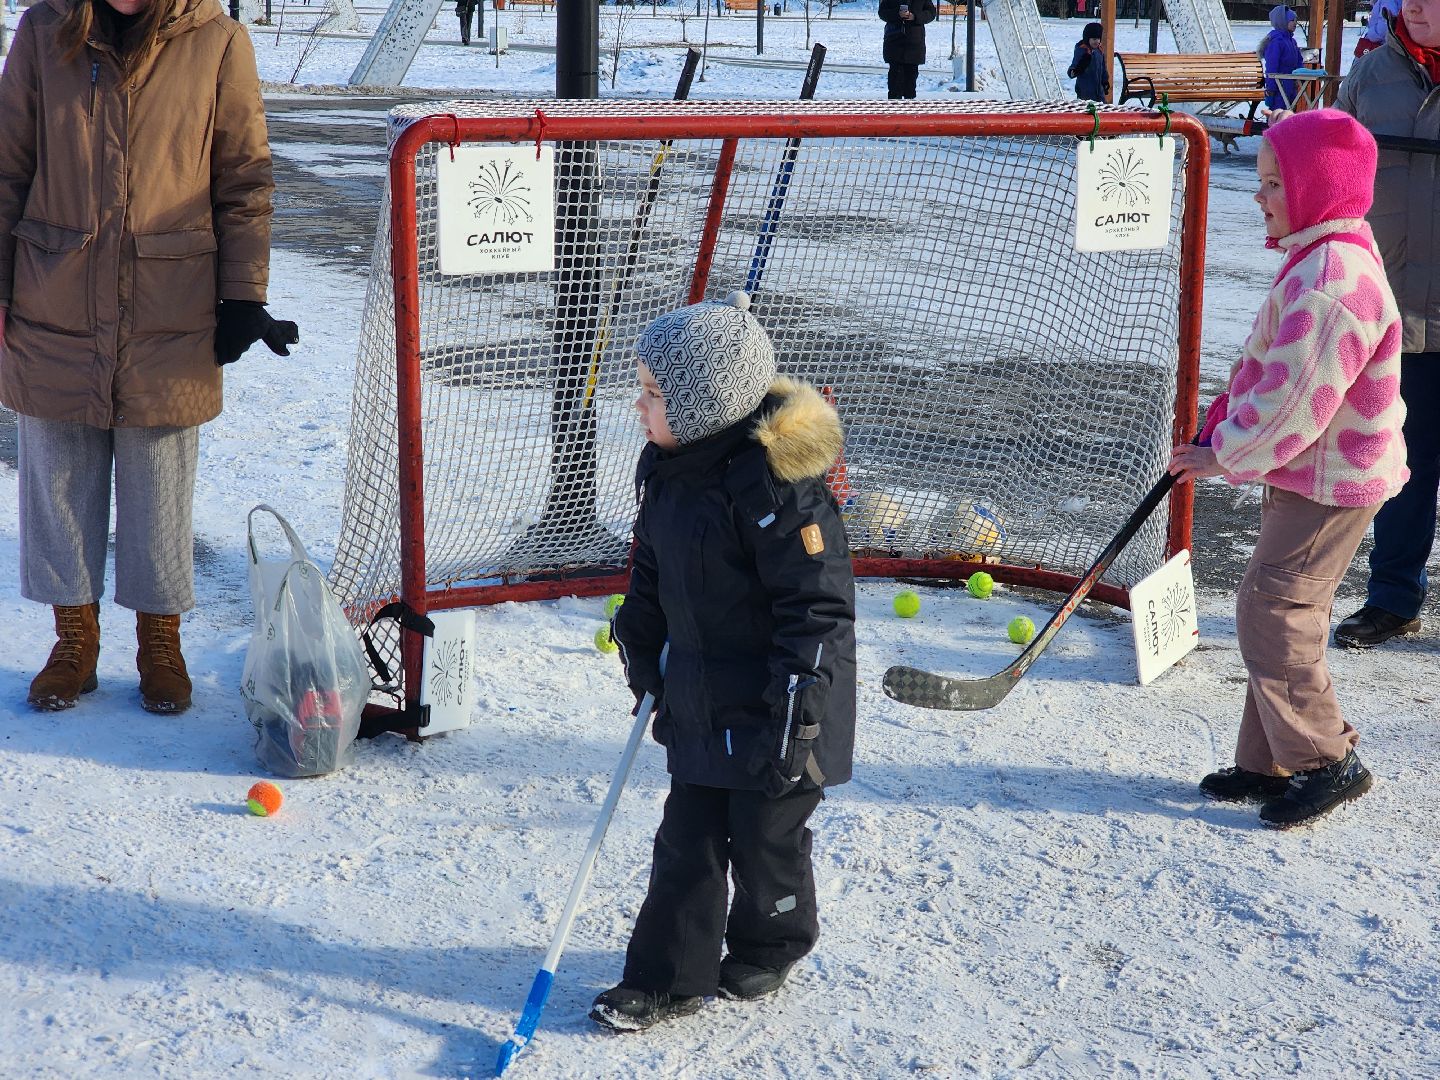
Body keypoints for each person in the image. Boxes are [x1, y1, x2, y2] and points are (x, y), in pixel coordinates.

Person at [0, 0, 297, 714]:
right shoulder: (45, 31)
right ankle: (74, 641)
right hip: (55, 291)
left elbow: (243, 178)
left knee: (159, 483)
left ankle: (159, 643)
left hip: (173, 299)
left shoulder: (217, 40)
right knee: (58, 475)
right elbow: (7, 168)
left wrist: (242, 296)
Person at [589, 292, 856, 1030]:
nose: (638, 407)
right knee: (688, 841)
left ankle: (774, 940)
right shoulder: (669, 468)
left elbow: (818, 608)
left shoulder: (778, 494)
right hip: (703, 696)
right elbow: (652, 570)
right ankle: (666, 978)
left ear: (704, 405)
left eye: (652, 393)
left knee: (765, 841)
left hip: (782, 710)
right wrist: (640, 638)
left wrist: (799, 707)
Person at [1168, 110, 1406, 829]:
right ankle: (1267, 758)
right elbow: (1270, 367)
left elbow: (1295, 401)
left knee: (1276, 611)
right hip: (1307, 473)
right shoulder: (1317, 256)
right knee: (1271, 607)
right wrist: (1226, 413)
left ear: (1317, 189)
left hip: (1329, 480)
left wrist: (1225, 452)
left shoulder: (1334, 281)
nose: (1259, 195)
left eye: (1274, 183)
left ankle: (1326, 760)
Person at [1331, 0, 1440, 647]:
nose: (1419, 4)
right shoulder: (1371, 80)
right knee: (1401, 464)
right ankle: (1393, 599)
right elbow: (1332, 184)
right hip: (1397, 319)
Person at [878, 0, 936, 100]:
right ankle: (894, 109)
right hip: (894, 40)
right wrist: (897, 14)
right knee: (895, 79)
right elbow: (882, 13)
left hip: (914, 41)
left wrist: (915, 16)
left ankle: (909, 109)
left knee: (911, 79)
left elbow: (931, 13)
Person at [1260, 5, 1304, 111]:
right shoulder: (1276, 41)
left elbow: (1299, 61)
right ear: (1282, 21)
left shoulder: (1292, 41)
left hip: (1292, 83)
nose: (1295, 23)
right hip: (1279, 85)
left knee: (1290, 111)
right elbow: (1271, 66)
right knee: (1278, 111)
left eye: (1296, 20)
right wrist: (1271, 88)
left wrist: (1301, 74)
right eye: (1292, 20)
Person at [1067, 21, 1110, 103]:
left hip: (1099, 91)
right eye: (1094, 39)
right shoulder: (1082, 51)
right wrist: (1075, 71)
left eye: (1098, 39)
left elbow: (1103, 68)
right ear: (1087, 39)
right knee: (1087, 110)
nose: (1096, 41)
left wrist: (1105, 81)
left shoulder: (1099, 51)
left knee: (1101, 110)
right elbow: (1074, 65)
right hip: (1085, 91)